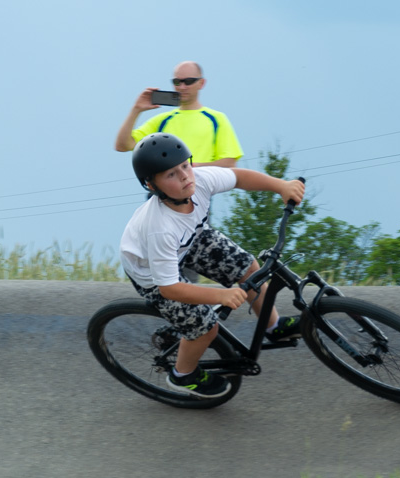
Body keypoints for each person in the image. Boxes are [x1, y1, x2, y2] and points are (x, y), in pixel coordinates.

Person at [120, 133, 305, 399]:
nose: (185, 176)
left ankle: (273, 327)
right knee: (205, 328)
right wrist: (221, 295)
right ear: (152, 186)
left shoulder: (199, 180)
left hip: (191, 239)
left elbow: (239, 177)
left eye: (185, 165)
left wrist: (281, 186)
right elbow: (170, 288)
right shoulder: (159, 228)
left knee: (248, 267)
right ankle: (183, 375)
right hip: (152, 273)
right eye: (171, 174)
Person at [114, 61, 243, 167]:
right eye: (177, 82)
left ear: (201, 83)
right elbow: (122, 145)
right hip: (162, 195)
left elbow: (229, 163)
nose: (182, 87)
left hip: (199, 193)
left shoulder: (216, 119)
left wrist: (190, 168)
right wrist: (136, 110)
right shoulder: (162, 121)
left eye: (188, 81)